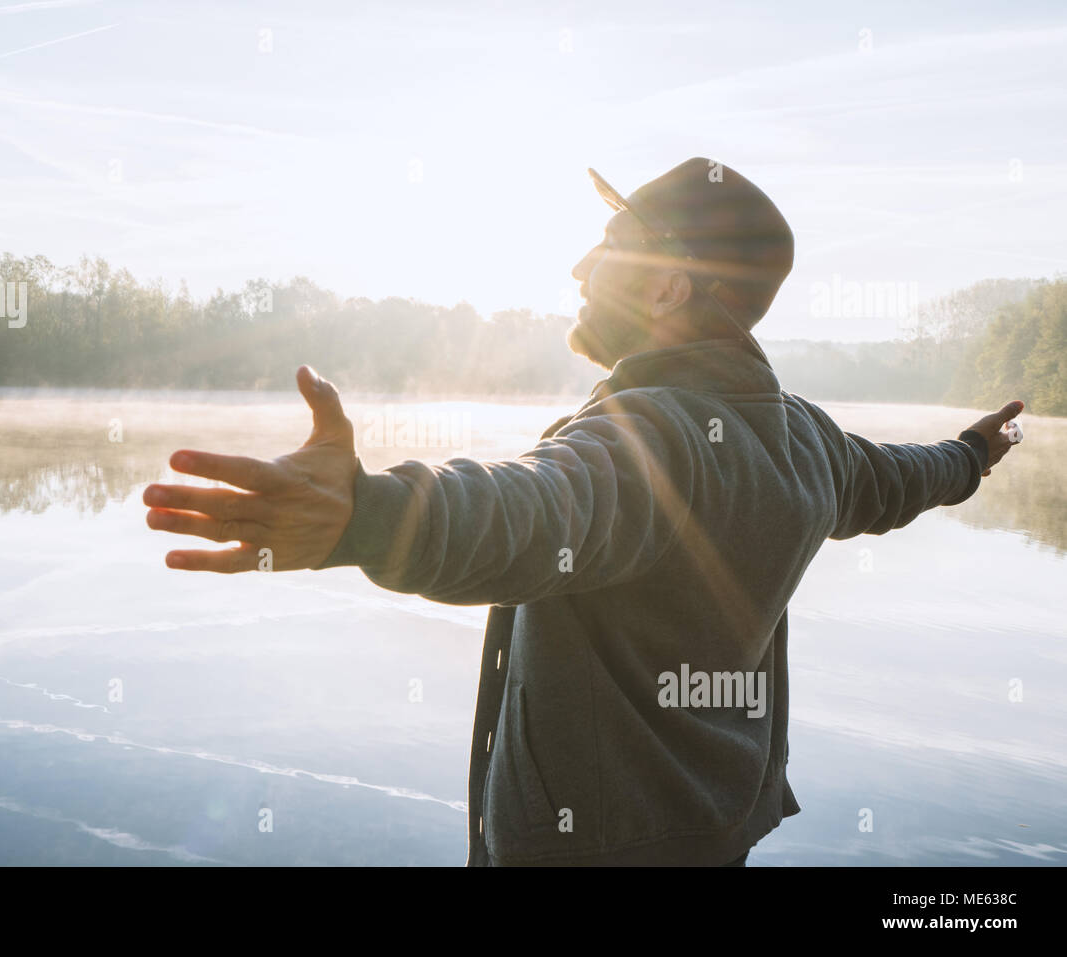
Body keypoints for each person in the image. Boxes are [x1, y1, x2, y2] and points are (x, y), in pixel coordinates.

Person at [142, 158, 1024, 866]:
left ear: (670, 287)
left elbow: (538, 508)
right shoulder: (807, 441)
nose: (579, 266)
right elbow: (904, 478)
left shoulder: (655, 436)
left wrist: (369, 517)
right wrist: (973, 454)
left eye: (608, 243)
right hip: (717, 831)